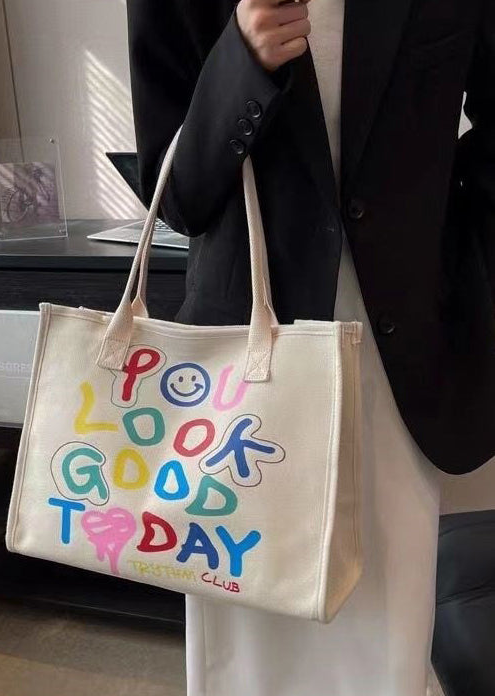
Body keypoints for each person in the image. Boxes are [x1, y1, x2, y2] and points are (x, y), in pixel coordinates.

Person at [126, 0, 495, 694]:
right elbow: (176, 198)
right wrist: (241, 61)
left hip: (401, 352)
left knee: (385, 619)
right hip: (243, 361)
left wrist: (467, 259)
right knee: (250, 624)